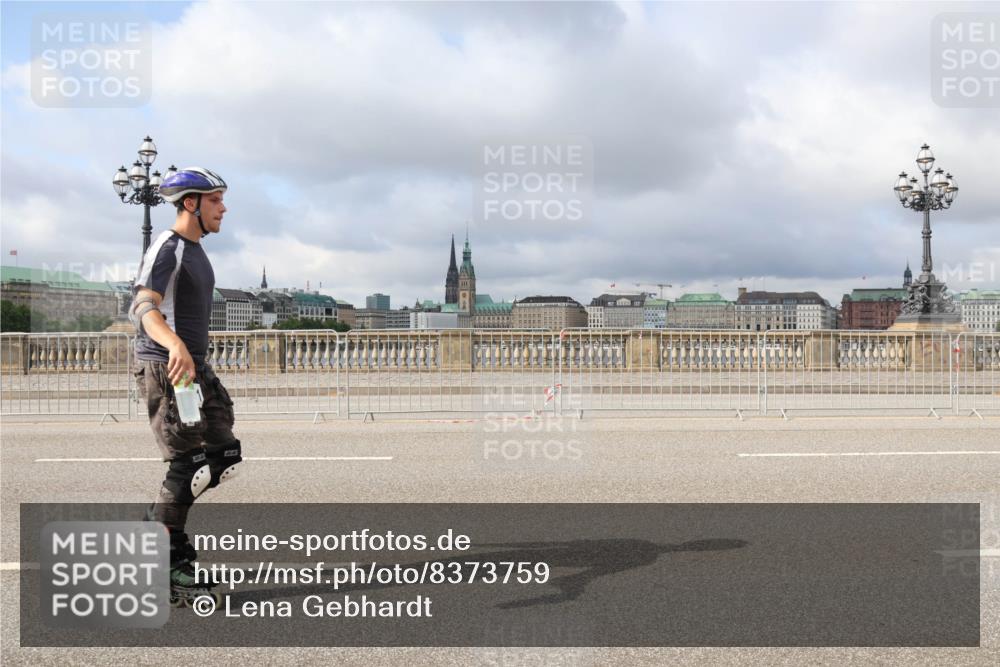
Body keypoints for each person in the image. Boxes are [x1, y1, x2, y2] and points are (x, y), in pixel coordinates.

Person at [130, 167, 242, 602]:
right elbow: (143, 307)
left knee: (223, 456)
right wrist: (175, 345)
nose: (223, 208)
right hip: (168, 367)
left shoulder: (195, 249)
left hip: (195, 370)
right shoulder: (168, 247)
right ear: (190, 203)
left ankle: (157, 526)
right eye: (215, 200)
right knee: (189, 466)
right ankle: (167, 559)